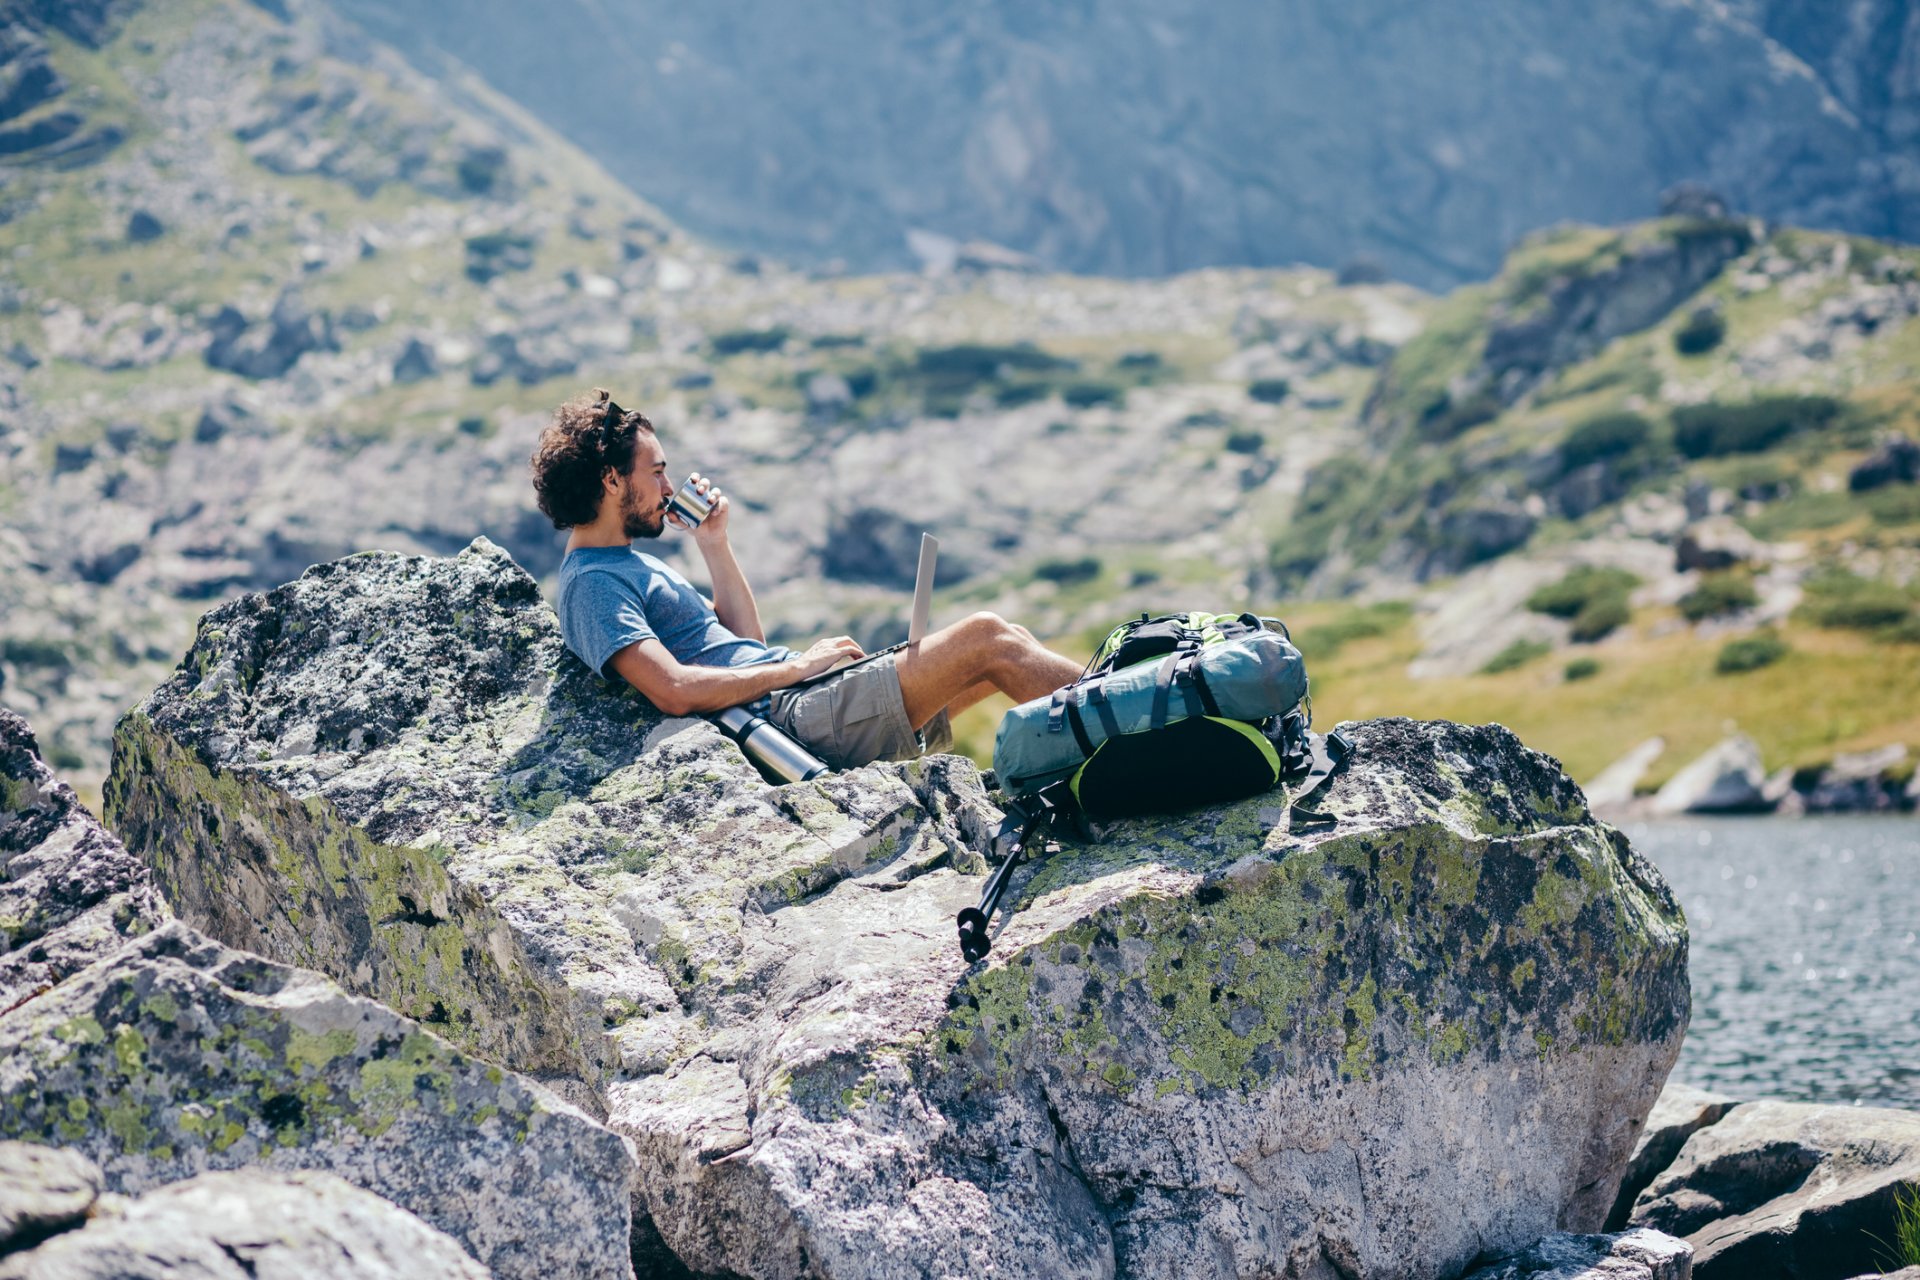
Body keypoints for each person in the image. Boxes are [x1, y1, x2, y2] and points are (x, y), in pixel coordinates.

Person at [530, 389, 1085, 769]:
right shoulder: (592, 583)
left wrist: (714, 545)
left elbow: (745, 648)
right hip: (790, 719)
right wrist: (796, 669)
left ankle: (1127, 720)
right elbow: (673, 690)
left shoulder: (631, 562)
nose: (669, 487)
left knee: (1002, 655)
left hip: (795, 698)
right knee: (987, 638)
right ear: (610, 479)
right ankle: (1148, 704)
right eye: (656, 472)